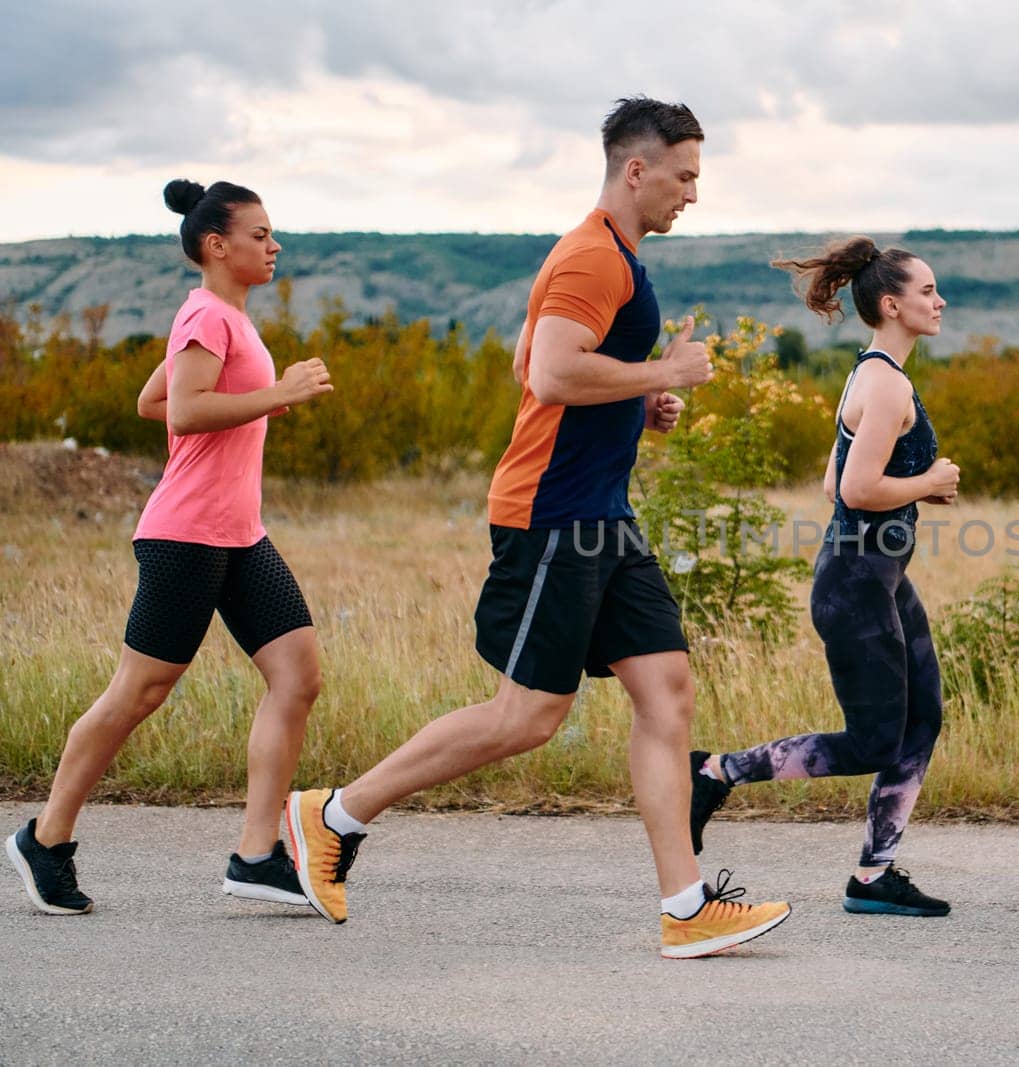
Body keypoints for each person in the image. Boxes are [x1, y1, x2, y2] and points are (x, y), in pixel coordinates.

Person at [285, 97, 790, 959]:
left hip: (604, 515)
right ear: (638, 170)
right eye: (685, 176)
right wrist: (665, 367)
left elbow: (534, 359)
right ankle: (331, 815)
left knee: (666, 689)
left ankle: (687, 903)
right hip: (552, 515)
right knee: (525, 717)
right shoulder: (592, 256)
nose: (694, 195)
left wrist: (641, 394)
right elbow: (551, 374)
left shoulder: (616, 253)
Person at [7, 179, 333, 915]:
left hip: (239, 534)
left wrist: (257, 390)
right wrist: (280, 393)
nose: (273, 244)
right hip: (185, 535)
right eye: (259, 234)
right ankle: (45, 838)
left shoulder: (226, 320)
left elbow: (152, 400)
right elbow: (185, 411)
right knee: (138, 692)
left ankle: (256, 854)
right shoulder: (205, 314)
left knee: (298, 675)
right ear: (217, 246)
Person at [689, 237, 960, 917]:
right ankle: (716, 771)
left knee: (921, 718)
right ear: (892, 304)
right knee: (873, 740)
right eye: (927, 291)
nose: (939, 300)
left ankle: (874, 876)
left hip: (880, 580)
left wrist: (902, 490)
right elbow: (859, 488)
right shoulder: (887, 382)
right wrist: (929, 481)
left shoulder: (870, 373)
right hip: (854, 587)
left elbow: (831, 477)